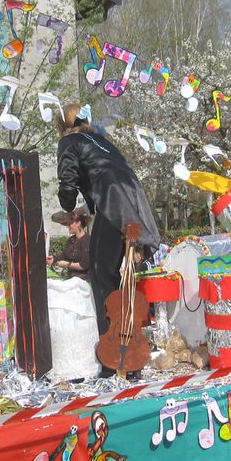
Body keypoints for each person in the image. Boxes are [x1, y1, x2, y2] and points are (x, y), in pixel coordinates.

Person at [55, 105, 161, 345]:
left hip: (114, 205)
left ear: (62, 125)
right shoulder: (100, 140)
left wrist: (67, 201)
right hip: (135, 204)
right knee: (125, 277)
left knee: (102, 274)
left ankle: (115, 352)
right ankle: (131, 348)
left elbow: (68, 186)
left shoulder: (69, 142)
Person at [47, 208, 92, 281]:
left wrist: (67, 264)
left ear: (78, 223)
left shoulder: (87, 240)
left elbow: (84, 265)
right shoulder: (71, 240)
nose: (68, 226)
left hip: (84, 281)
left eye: (70, 223)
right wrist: (54, 259)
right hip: (71, 279)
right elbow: (64, 255)